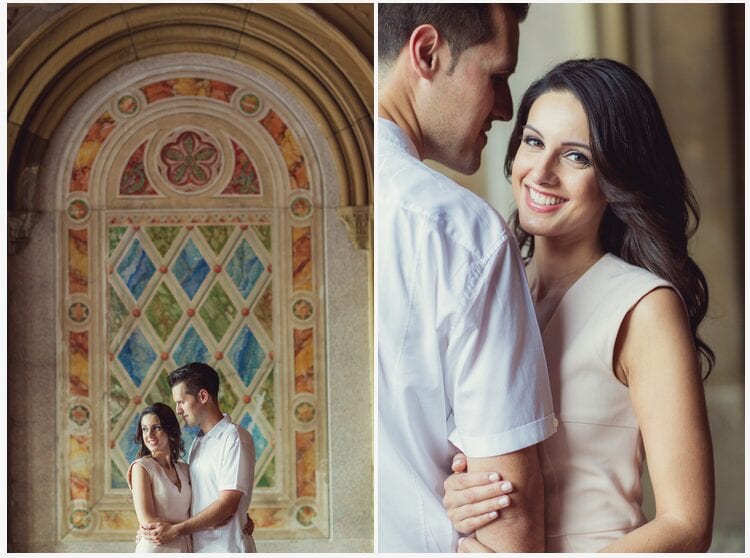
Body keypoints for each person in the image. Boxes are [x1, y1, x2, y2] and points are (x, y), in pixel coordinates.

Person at [442, 58, 715, 552]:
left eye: (577, 157)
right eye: (533, 141)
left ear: (617, 177)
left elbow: (687, 524)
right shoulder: (493, 290)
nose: (541, 173)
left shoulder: (644, 307)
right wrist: (461, 493)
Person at [377, 4, 557, 552]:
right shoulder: (463, 233)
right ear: (427, 52)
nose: (506, 108)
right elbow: (510, 528)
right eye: (497, 76)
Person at [141, 362, 257, 552]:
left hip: (227, 548)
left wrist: (176, 530)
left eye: (181, 402)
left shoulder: (234, 438)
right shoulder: (199, 442)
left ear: (203, 396)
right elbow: (198, 498)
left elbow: (228, 504)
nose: (178, 410)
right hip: (198, 548)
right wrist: (152, 530)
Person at [128, 403, 192, 553]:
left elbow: (205, 503)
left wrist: (241, 517)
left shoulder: (185, 469)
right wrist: (199, 525)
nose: (149, 436)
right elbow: (147, 521)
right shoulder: (141, 467)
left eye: (156, 428)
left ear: (170, 429)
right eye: (144, 429)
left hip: (186, 547)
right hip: (155, 548)